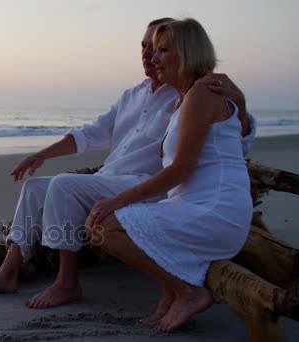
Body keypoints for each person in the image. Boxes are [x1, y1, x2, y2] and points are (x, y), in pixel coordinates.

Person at [0, 18, 256, 310]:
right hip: (112, 178)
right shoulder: (134, 94)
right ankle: (8, 270)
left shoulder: (189, 91)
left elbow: (229, 141)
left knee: (64, 186)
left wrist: (240, 107)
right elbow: (91, 133)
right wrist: (41, 155)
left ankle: (67, 282)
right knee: (35, 188)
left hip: (147, 184)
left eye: (158, 48)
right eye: (144, 46)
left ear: (182, 51)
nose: (148, 54)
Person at [85, 18, 253, 333]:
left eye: (164, 50)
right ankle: (173, 289)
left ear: (187, 53)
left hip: (215, 212)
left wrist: (115, 201)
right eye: (153, 50)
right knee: (99, 225)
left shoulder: (201, 94)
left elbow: (180, 169)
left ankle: (189, 292)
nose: (155, 58)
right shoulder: (185, 98)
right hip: (194, 206)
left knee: (104, 226)